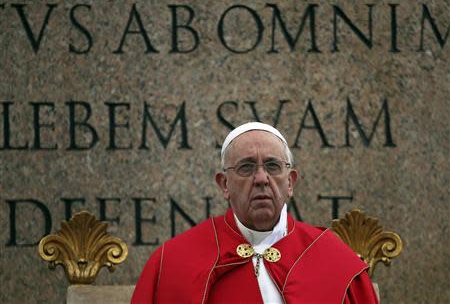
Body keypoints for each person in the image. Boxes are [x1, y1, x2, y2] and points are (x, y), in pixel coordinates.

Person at [132, 122, 379, 303]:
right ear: (224, 184)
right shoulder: (172, 263)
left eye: (272, 166)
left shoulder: (334, 260)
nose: (261, 178)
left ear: (290, 182)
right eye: (246, 167)